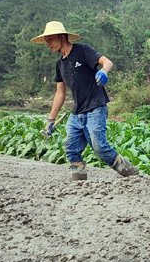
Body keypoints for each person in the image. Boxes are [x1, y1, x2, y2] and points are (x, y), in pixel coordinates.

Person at [32, 21, 139, 181]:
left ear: (62, 37)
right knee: (71, 147)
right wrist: (50, 120)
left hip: (95, 108)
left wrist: (104, 72)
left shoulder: (82, 50)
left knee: (100, 147)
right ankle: (79, 182)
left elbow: (107, 62)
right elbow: (60, 94)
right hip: (77, 112)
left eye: (51, 39)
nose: (48, 43)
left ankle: (131, 174)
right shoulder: (59, 64)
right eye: (46, 40)